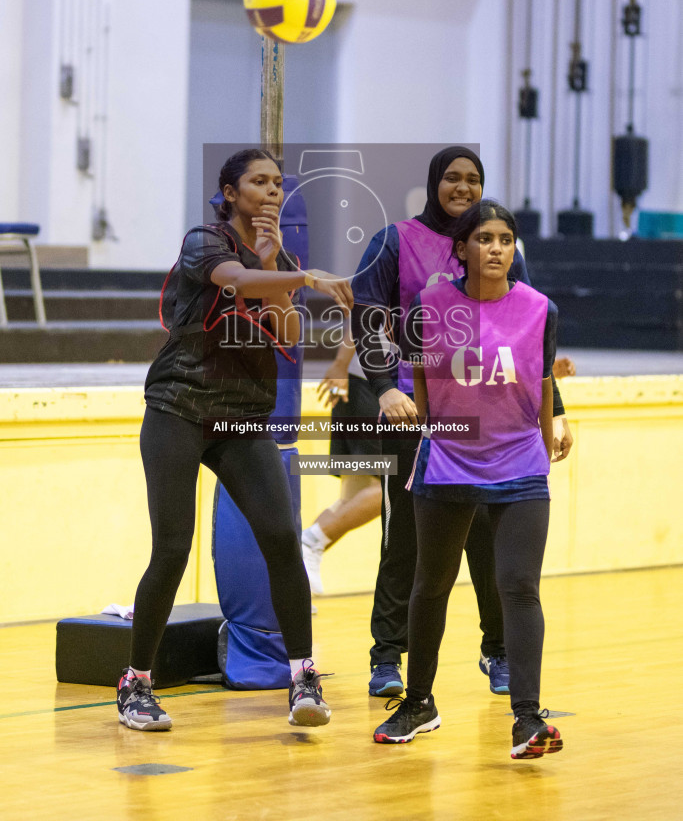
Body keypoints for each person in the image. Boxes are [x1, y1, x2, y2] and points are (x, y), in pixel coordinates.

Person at [116, 148, 353, 732]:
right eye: (258, 181)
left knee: (280, 537)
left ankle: (302, 677)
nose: (271, 191)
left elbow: (289, 333)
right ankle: (136, 684)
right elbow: (236, 281)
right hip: (178, 408)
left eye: (277, 182)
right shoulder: (205, 241)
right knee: (172, 548)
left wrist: (282, 275)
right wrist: (301, 276)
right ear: (229, 192)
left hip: (241, 417)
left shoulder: (278, 257)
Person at [351, 146, 573, 697]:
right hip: (417, 414)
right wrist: (382, 388)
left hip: (497, 418)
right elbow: (366, 317)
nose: (463, 187)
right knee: (406, 537)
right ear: (434, 183)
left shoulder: (501, 246)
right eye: (452, 177)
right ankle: (388, 656)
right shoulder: (395, 241)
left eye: (473, 179)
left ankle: (498, 652)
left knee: (491, 544)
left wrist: (559, 413)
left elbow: (530, 344)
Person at [301, 323, 382, 595]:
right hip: (370, 386)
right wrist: (339, 363)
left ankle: (293, 579)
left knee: (353, 497)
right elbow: (366, 314)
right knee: (388, 488)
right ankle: (310, 541)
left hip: (358, 382)